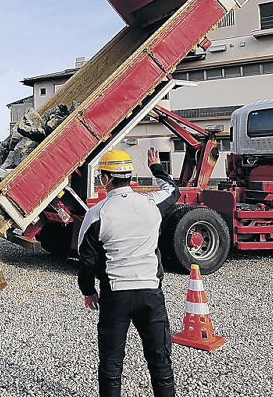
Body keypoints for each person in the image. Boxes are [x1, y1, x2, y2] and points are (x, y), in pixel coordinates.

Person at [77, 147, 181, 397]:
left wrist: (88, 291)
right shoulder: (151, 203)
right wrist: (156, 167)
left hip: (115, 295)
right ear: (130, 176)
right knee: (160, 360)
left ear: (105, 178)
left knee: (112, 364)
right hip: (150, 293)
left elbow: (86, 260)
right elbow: (172, 191)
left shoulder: (96, 214)